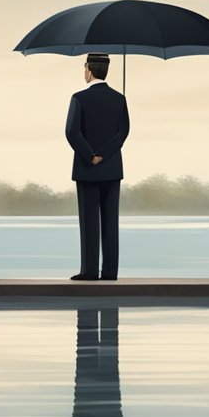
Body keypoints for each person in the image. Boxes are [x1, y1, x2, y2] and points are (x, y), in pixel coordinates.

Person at [65, 53, 130, 281]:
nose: (83, 72)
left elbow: (72, 132)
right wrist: (104, 154)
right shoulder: (119, 99)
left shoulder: (78, 98)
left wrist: (90, 154)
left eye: (84, 68)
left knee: (89, 221)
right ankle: (110, 271)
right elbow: (123, 132)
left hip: (86, 168)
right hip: (111, 168)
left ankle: (90, 271)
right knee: (111, 222)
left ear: (89, 69)